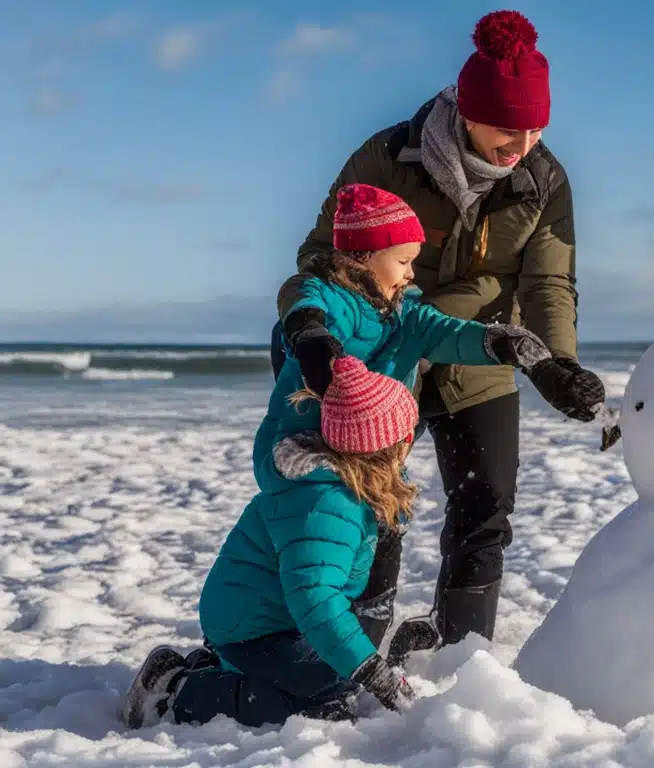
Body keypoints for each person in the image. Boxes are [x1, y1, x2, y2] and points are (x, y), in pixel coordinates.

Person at [270, 9, 607, 661]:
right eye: (506, 131)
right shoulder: (389, 158)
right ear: (467, 110)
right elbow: (318, 256)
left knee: (487, 504)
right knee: (360, 503)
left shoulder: (543, 182)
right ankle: (346, 641)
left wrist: (557, 364)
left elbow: (547, 283)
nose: (522, 145)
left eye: (534, 129)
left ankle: (461, 648)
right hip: (380, 360)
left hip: (475, 350)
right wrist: (315, 332)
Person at [264, 181, 573, 655]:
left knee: (381, 548)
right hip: (314, 467)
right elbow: (306, 298)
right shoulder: (329, 297)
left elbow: (454, 334)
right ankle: (277, 654)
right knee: (321, 568)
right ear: (362, 259)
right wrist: (308, 333)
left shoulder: (405, 315)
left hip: (378, 466)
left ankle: (360, 655)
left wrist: (514, 348)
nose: (411, 274)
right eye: (404, 261)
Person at [121, 358, 426, 728]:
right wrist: (375, 674)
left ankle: (214, 669)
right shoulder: (326, 503)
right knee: (327, 702)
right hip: (251, 628)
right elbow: (317, 600)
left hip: (276, 619)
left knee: (341, 681)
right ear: (392, 445)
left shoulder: (355, 486)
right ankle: (176, 690)